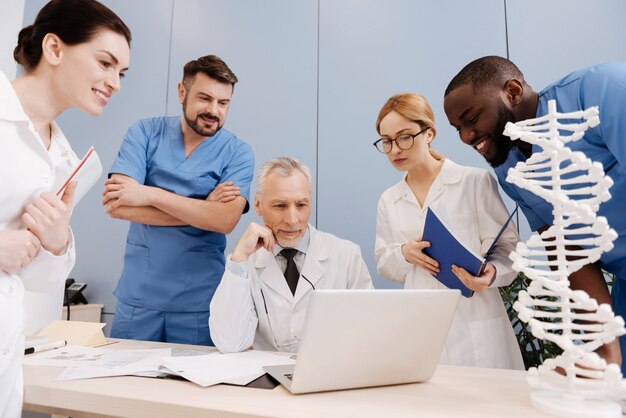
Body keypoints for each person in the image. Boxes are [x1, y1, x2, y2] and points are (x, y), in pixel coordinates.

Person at [443, 56, 626, 371]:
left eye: (471, 118)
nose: (466, 137)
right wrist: (601, 347)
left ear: (512, 91)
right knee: (608, 383)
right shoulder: (509, 170)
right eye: (458, 128)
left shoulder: (603, 90)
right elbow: (569, 252)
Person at [0, 0, 130, 416]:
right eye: (106, 63)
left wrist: (57, 243)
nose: (115, 83)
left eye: (122, 73)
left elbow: (40, 279)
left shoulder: (64, 159)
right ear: (54, 49)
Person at [102, 55, 254, 346]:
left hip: (200, 302)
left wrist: (148, 193)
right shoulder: (144, 133)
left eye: (223, 103)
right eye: (205, 98)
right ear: (182, 92)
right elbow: (119, 205)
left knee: (193, 391)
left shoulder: (238, 152)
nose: (213, 110)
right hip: (139, 298)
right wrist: (203, 206)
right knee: (125, 386)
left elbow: (225, 221)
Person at [374, 93, 523, 369]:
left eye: (404, 137)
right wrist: (405, 254)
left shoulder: (473, 182)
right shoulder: (389, 199)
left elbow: (510, 251)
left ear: (429, 133)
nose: (395, 149)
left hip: (476, 323)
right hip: (421, 326)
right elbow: (384, 264)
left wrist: (491, 275)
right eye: (386, 141)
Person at [209, 157, 373, 353]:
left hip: (330, 373)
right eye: (280, 206)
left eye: (301, 205)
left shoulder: (346, 256)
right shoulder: (245, 264)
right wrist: (238, 258)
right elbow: (229, 343)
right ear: (258, 205)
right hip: (266, 376)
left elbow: (368, 330)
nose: (292, 220)